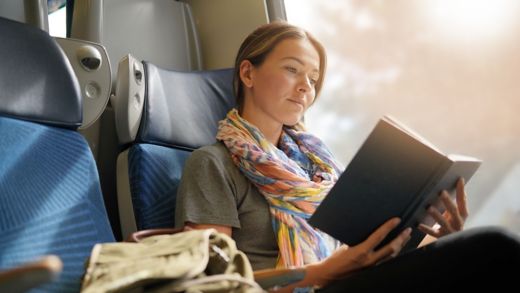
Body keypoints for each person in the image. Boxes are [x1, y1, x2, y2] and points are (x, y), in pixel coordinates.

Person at [175, 21, 520, 292]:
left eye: (313, 78)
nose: (305, 87)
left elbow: (356, 250)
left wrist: (437, 235)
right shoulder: (211, 164)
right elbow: (212, 283)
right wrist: (319, 273)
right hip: (313, 287)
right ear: (248, 73)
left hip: (347, 280)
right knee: (495, 247)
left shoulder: (317, 167)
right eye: (292, 70)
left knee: (475, 261)